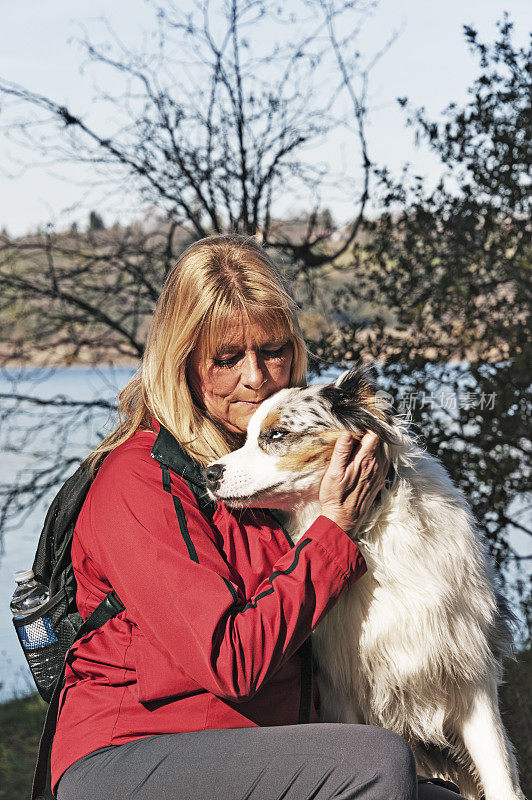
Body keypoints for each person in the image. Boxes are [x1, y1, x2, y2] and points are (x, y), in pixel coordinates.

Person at [53, 234, 464, 800]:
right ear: (184, 365)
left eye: (273, 350)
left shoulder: (276, 475)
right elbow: (231, 663)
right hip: (132, 755)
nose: (257, 377)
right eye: (227, 358)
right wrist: (333, 531)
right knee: (374, 761)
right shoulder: (138, 482)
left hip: (261, 747)